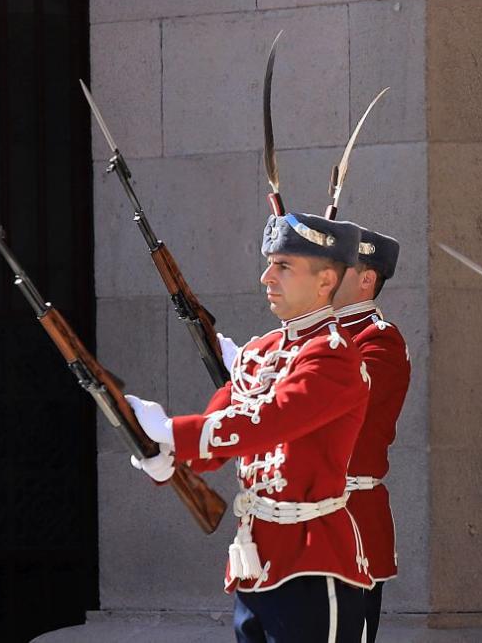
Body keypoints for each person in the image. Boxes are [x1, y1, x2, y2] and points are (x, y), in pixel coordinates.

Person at [128, 212, 373, 643]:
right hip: (254, 564)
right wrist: (166, 456)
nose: (266, 277)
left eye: (283, 266)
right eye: (269, 263)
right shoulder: (261, 351)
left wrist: (171, 430)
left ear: (325, 281)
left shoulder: (334, 356)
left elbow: (272, 419)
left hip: (313, 563)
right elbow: (222, 428)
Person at [331, 225, 411, 643]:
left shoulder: (379, 341)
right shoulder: (319, 338)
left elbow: (341, 405)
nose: (325, 277)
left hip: (352, 518)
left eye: (338, 268)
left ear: (366, 279)